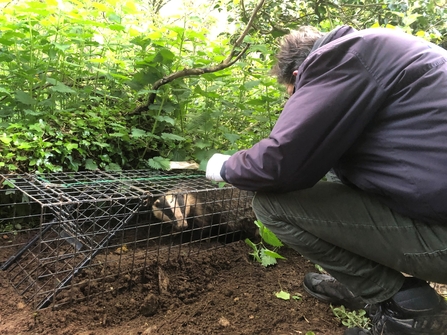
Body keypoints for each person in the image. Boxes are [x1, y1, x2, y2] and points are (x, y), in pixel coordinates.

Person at [205, 25, 447, 335]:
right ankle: (366, 284)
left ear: (296, 77)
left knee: (273, 205)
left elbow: (281, 163)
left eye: (291, 96)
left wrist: (224, 167)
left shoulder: (340, 59)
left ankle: (406, 311)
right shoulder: (387, 54)